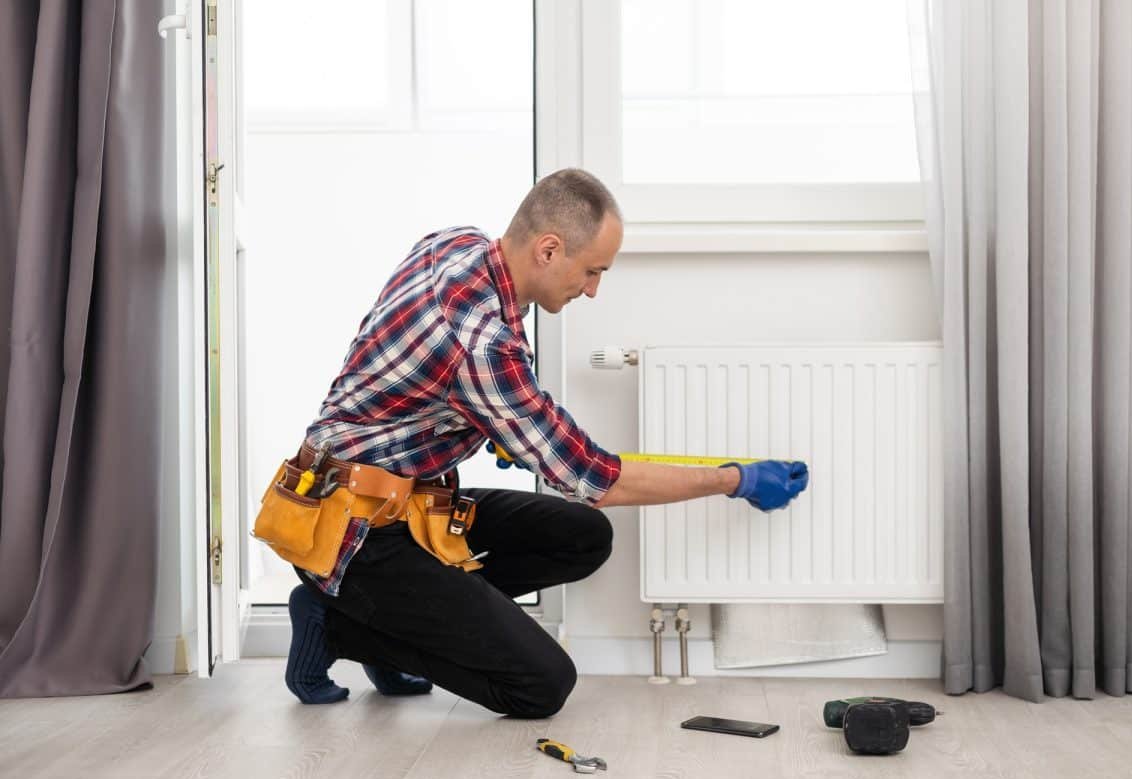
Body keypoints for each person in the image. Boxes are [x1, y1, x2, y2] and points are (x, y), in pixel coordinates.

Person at [284, 168, 809, 716]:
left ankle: (397, 619)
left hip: (403, 501)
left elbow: (409, 373)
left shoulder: (453, 245)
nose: (593, 289)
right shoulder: (484, 346)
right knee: (542, 685)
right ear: (549, 249)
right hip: (354, 533)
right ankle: (339, 627)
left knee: (580, 537)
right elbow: (595, 477)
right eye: (591, 271)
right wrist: (735, 479)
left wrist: (475, 422)